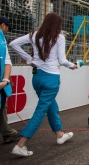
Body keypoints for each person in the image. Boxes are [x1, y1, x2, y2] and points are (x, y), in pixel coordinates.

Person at [9, 13, 77, 157]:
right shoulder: (59, 38)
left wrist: (29, 59)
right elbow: (63, 60)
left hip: (37, 78)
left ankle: (59, 135)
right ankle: (21, 144)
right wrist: (73, 66)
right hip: (51, 79)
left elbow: (13, 44)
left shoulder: (34, 35)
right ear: (57, 25)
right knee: (40, 112)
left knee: (51, 106)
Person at [0, 17, 20, 144]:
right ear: (3, 25)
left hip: (2, 81)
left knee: (2, 106)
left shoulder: (2, 40)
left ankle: (7, 132)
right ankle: (7, 132)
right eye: (7, 27)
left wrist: (6, 78)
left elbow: (7, 60)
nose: (7, 31)